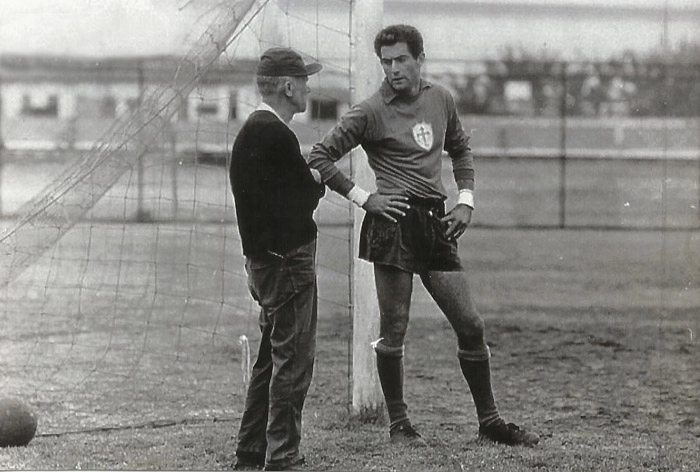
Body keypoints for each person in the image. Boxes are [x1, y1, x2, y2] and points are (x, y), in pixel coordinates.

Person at [308, 24, 539, 448]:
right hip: (392, 225)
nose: (393, 69)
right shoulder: (370, 110)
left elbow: (461, 149)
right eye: (386, 62)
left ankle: (490, 421)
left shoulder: (441, 99)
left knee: (471, 324)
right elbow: (319, 155)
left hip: (435, 224)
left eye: (400, 60)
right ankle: (400, 425)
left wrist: (465, 200)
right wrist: (364, 198)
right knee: (394, 327)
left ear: (419, 60)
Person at [229, 47, 324, 470]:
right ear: (288, 86)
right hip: (288, 265)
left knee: (269, 359)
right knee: (293, 361)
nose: (307, 87)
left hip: (264, 263)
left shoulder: (251, 129)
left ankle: (250, 452)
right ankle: (284, 457)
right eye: (303, 80)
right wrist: (316, 179)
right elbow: (299, 199)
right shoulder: (277, 134)